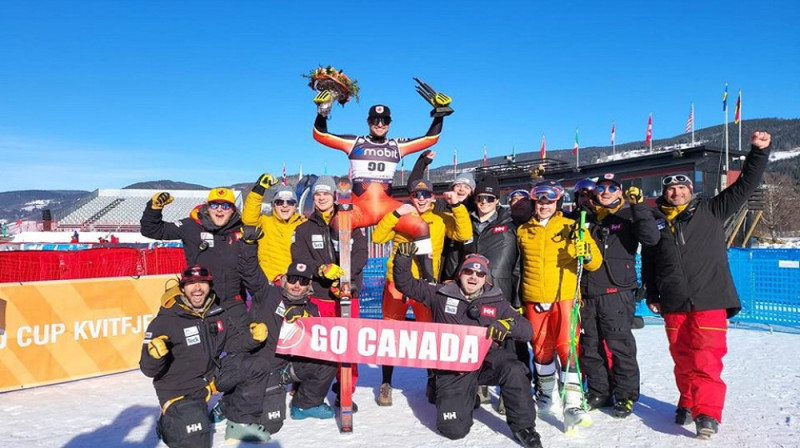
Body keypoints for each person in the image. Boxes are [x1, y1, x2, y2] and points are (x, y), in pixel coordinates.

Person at [642, 132, 771, 439]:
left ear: (691, 190)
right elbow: (649, 260)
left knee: (706, 358)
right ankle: (687, 401)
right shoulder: (656, 222)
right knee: (682, 358)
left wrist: (759, 152)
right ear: (665, 192)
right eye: (671, 188)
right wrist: (651, 291)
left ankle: (707, 413)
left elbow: (746, 184)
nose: (676, 193)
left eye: (682, 187)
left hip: (710, 299)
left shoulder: (712, 210)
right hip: (673, 301)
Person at [392, 245, 543, 448]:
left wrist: (507, 324)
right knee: (453, 431)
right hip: (454, 367)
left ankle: (524, 428)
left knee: (514, 369)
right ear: (460, 273)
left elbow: (527, 330)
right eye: (469, 271)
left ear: (485, 278)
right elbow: (406, 285)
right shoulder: (440, 293)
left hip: (487, 359)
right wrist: (403, 258)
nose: (474, 277)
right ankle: (455, 392)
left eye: (479, 273)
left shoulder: (496, 300)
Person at [313, 91, 451, 282]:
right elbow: (321, 136)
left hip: (387, 207)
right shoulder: (355, 143)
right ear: (368, 122)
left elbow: (430, 140)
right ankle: (340, 274)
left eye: (384, 120)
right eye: (375, 120)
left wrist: (439, 114)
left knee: (420, 226)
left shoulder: (396, 146)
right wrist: (322, 112)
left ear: (389, 123)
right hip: (360, 207)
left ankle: (429, 281)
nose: (379, 124)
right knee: (338, 224)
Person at [140, 265, 271, 446]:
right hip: (180, 391)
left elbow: (232, 343)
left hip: (211, 378)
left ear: (209, 286)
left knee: (258, 365)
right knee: (198, 442)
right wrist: (154, 356)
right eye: (191, 283)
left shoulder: (216, 312)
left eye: (202, 283)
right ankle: (167, 423)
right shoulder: (164, 321)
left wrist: (253, 338)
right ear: (182, 287)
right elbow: (148, 370)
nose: (197, 288)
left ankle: (239, 422)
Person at [371, 178, 472, 406]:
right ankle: (386, 383)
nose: (421, 199)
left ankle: (432, 380)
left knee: (429, 333)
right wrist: (396, 215)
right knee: (390, 333)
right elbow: (377, 237)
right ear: (411, 197)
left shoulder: (440, 219)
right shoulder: (401, 217)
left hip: (424, 284)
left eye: (426, 195)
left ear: (432, 198)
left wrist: (456, 206)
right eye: (417, 195)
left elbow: (464, 234)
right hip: (396, 283)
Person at [517, 180, 603, 431]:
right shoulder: (523, 230)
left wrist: (584, 251)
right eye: (540, 201)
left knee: (567, 347)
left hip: (564, 296)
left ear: (558, 202)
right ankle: (545, 395)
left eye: (549, 201)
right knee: (541, 349)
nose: (543, 206)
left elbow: (594, 263)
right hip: (534, 296)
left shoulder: (572, 226)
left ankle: (573, 402)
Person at [239, 226, 340, 431]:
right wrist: (249, 245)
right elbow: (250, 271)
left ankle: (305, 405)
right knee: (249, 407)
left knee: (328, 359)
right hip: (259, 364)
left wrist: (306, 322)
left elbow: (317, 343)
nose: (296, 285)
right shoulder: (267, 293)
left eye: (303, 281)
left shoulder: (311, 308)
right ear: (285, 280)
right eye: (293, 279)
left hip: (286, 368)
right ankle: (225, 407)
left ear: (309, 286)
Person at [576, 173, 659, 419]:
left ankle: (625, 395)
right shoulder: (587, 219)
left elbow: (651, 237)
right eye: (601, 188)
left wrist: (640, 206)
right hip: (587, 292)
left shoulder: (627, 216)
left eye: (612, 188)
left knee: (619, 346)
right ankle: (600, 391)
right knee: (590, 347)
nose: (606, 191)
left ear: (619, 192)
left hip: (616, 291)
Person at [290, 175, 368, 410]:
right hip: (319, 296)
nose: (321, 197)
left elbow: (361, 254)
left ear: (334, 195)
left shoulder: (350, 221)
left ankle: (345, 389)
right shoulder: (304, 228)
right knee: (318, 345)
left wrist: (345, 276)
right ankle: (311, 386)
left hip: (346, 294)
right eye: (317, 194)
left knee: (348, 344)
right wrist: (321, 269)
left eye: (325, 193)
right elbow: (299, 260)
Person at [463, 175, 529, 413]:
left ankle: (512, 390)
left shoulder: (510, 223)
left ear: (496, 200)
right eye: (481, 197)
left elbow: (520, 263)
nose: (484, 202)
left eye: (490, 198)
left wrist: (518, 297)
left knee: (510, 341)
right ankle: (480, 384)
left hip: (503, 289)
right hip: (474, 290)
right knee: (479, 338)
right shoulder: (466, 221)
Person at [140, 188, 246, 313]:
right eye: (214, 204)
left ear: (233, 209)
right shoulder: (191, 226)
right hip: (201, 301)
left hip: (234, 302)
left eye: (225, 205)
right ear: (207, 208)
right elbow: (152, 230)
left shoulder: (242, 230)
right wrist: (154, 209)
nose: (219, 209)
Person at [242, 173, 306, 283]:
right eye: (280, 202)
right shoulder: (265, 222)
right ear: (274, 205)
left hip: (296, 284)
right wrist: (259, 189)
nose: (285, 205)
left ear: (295, 206)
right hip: (269, 283)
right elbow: (248, 218)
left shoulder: (303, 224)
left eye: (290, 202)